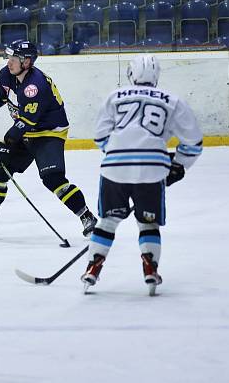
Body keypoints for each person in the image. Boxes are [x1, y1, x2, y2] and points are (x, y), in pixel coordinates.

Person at [82, 54, 203, 296]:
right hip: (152, 167)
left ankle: (93, 268)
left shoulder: (114, 97)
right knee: (148, 222)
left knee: (107, 221)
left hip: (114, 166)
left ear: (131, 74)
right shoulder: (172, 100)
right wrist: (179, 165)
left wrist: (120, 153)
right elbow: (194, 142)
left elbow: (100, 137)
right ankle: (150, 268)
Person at [0, 40, 97, 239]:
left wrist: (6, 143)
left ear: (26, 62)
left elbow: (26, 122)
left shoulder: (36, 85)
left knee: (53, 179)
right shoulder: (6, 74)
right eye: (9, 57)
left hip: (48, 132)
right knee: (0, 171)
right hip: (25, 129)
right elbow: (0, 95)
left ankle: (86, 216)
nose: (9, 62)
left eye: (14, 59)